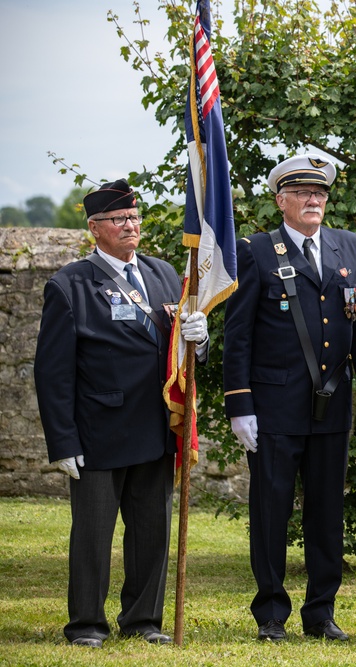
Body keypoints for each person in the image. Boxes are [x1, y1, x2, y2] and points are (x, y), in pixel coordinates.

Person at [35, 178, 209, 648]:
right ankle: (86, 625)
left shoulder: (164, 274)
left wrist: (200, 337)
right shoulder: (70, 284)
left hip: (155, 427)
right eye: (119, 220)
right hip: (99, 433)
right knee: (93, 536)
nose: (130, 226)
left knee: (152, 532)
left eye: (134, 218)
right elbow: (52, 374)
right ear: (95, 228)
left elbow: (182, 356)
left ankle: (143, 621)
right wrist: (63, 441)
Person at [223, 153, 356, 642]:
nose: (314, 200)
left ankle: (321, 612)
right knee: (272, 511)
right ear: (280, 200)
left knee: (327, 514)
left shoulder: (351, 247)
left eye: (321, 193)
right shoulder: (258, 252)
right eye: (304, 193)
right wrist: (239, 404)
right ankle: (270, 613)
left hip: (332, 407)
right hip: (274, 408)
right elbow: (238, 334)